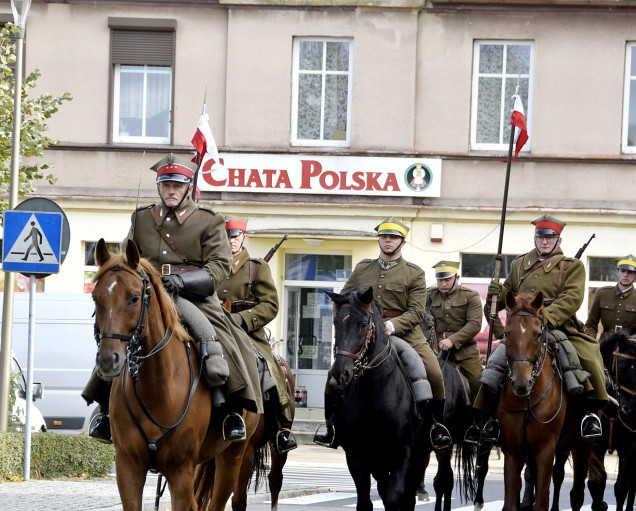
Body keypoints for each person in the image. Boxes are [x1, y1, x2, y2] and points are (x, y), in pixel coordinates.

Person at [83, 153, 262, 443]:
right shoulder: (142, 218)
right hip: (147, 294)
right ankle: (104, 408)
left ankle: (231, 409)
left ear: (188, 187)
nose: (170, 190)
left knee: (219, 335)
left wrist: (182, 280)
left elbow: (219, 266)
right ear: (158, 186)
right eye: (165, 184)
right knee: (114, 334)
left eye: (177, 185)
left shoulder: (209, 221)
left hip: (192, 295)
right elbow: (126, 257)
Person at [313, 218, 452, 449]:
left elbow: (417, 311)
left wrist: (392, 325)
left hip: (403, 333)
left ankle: (435, 426)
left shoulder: (414, 273)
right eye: (384, 236)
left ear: (402, 242)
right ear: (379, 239)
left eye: (394, 237)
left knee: (434, 372)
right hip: (364, 334)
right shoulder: (363, 268)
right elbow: (345, 298)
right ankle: (332, 427)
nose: (388, 241)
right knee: (334, 375)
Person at [479, 215, 608, 440]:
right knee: (494, 363)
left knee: (585, 357)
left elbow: (572, 298)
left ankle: (590, 414)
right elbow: (506, 295)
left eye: (550, 238)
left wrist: (545, 318)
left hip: (557, 326)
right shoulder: (519, 264)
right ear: (535, 238)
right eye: (540, 237)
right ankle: (484, 418)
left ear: (559, 240)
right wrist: (495, 293)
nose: (544, 242)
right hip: (523, 329)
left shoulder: (571, 266)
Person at [215, 216, 296, 454]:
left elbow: (270, 305)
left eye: (236, 236)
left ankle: (280, 427)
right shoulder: (210, 265)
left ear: (244, 238)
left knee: (269, 369)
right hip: (211, 326)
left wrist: (241, 319)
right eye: (228, 236)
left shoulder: (256, 267)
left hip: (246, 331)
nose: (231, 241)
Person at [583, 254, 636, 446]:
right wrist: (588, 342)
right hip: (604, 349)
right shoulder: (602, 294)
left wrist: (632, 342)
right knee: (583, 378)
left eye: (631, 273)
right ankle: (588, 419)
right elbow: (591, 324)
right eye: (623, 271)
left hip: (630, 352)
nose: (626, 275)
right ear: (617, 272)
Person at [426, 260, 484, 400]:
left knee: (479, 384)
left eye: (447, 279)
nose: (443, 284)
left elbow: (475, 324)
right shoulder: (429, 294)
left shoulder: (471, 295)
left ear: (457, 278)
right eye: (440, 280)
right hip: (435, 350)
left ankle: (482, 420)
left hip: (465, 352)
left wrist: (452, 340)